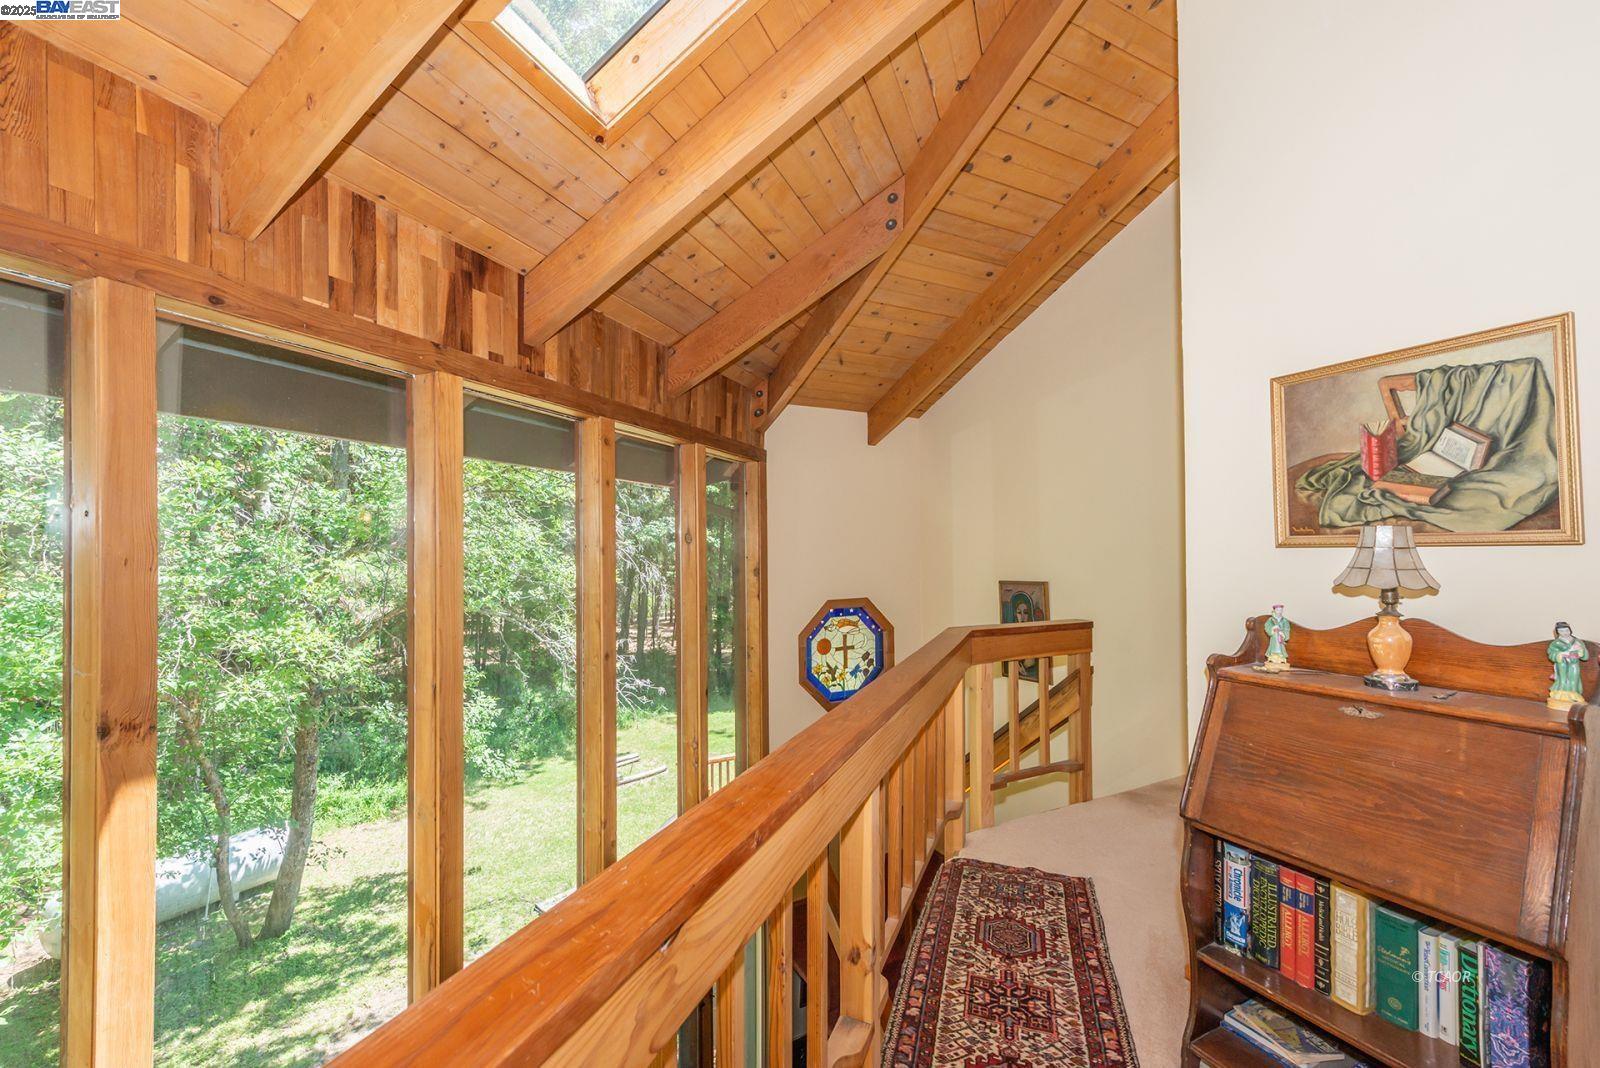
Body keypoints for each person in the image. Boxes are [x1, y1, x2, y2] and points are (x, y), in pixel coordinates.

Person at [1547, 621, 1589, 710]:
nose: (1564, 633)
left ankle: (1574, 694)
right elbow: (1551, 653)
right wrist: (1560, 654)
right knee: (1563, 678)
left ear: (1570, 630)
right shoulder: (1556, 643)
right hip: (1562, 664)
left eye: (1566, 630)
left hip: (1574, 663)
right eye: (1561, 631)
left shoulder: (1577, 641)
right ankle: (1561, 694)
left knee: (1574, 677)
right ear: (1557, 632)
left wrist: (1581, 651)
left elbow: (1585, 655)